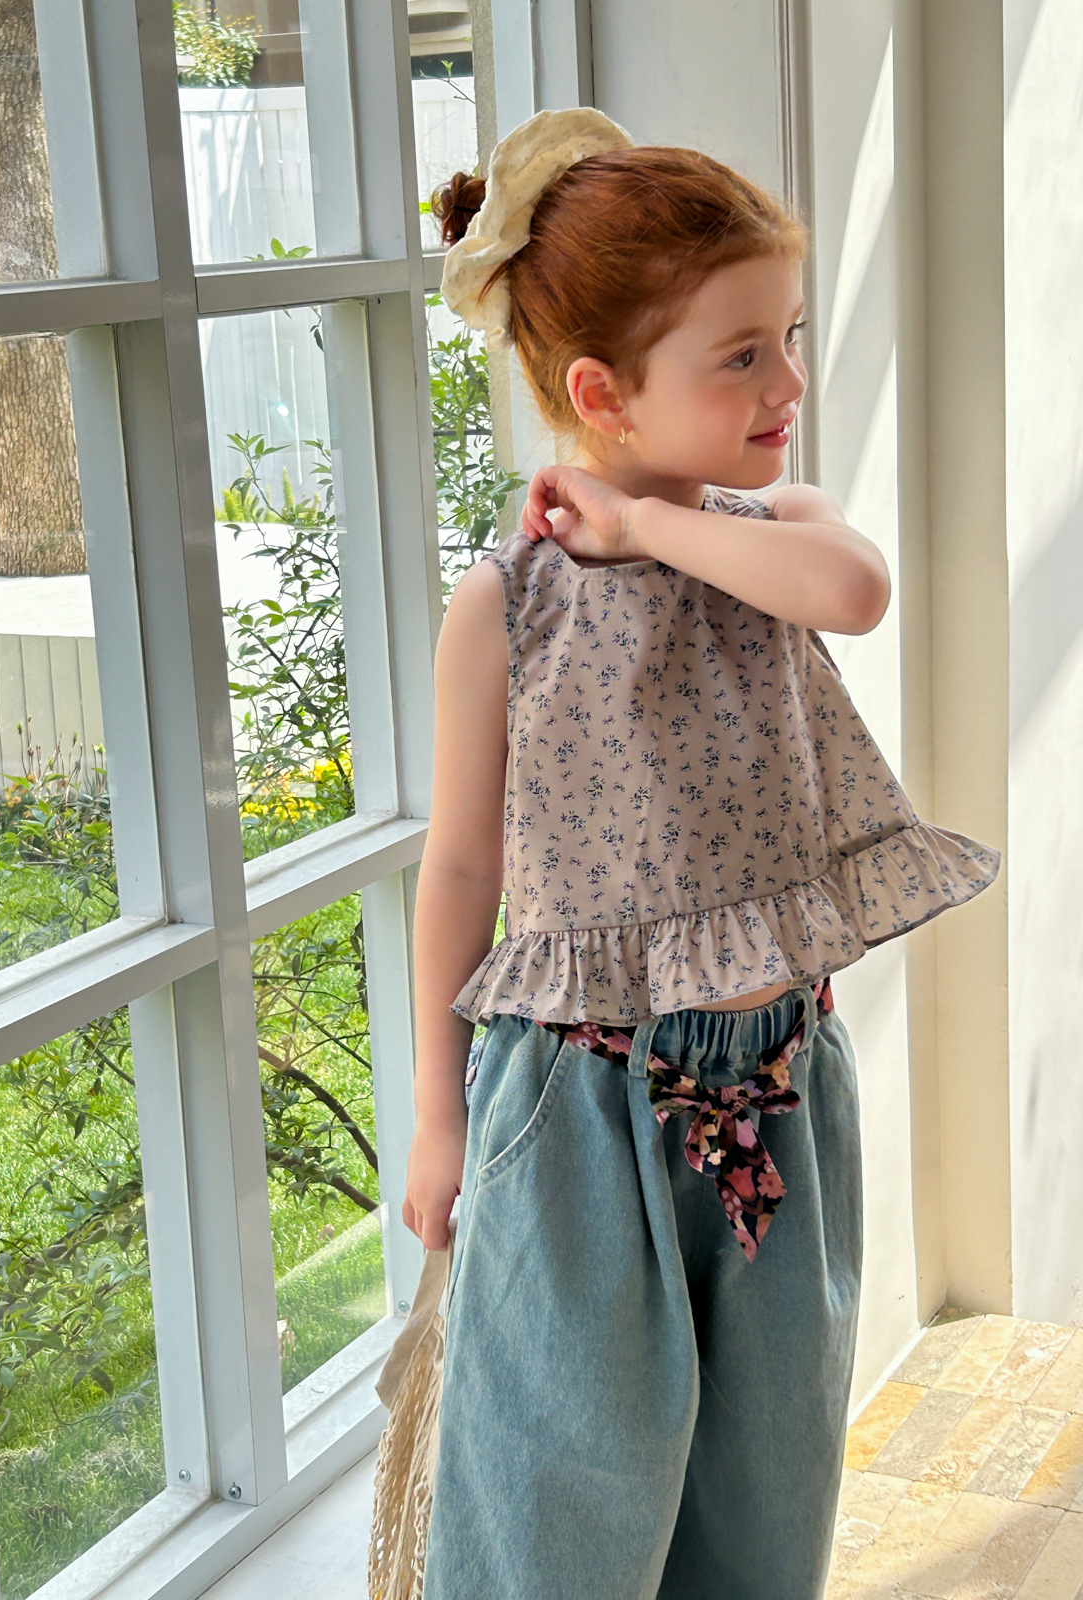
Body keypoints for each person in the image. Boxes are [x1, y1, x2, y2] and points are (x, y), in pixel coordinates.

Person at [403, 108, 1001, 1600]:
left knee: (766, 1490)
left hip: (780, 1088)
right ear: (601, 393)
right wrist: (434, 1111)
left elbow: (852, 586)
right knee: (559, 1502)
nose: (788, 384)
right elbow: (461, 872)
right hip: (578, 1111)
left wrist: (644, 525)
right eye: (742, 355)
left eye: (788, 338)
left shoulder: (771, 529)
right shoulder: (505, 605)